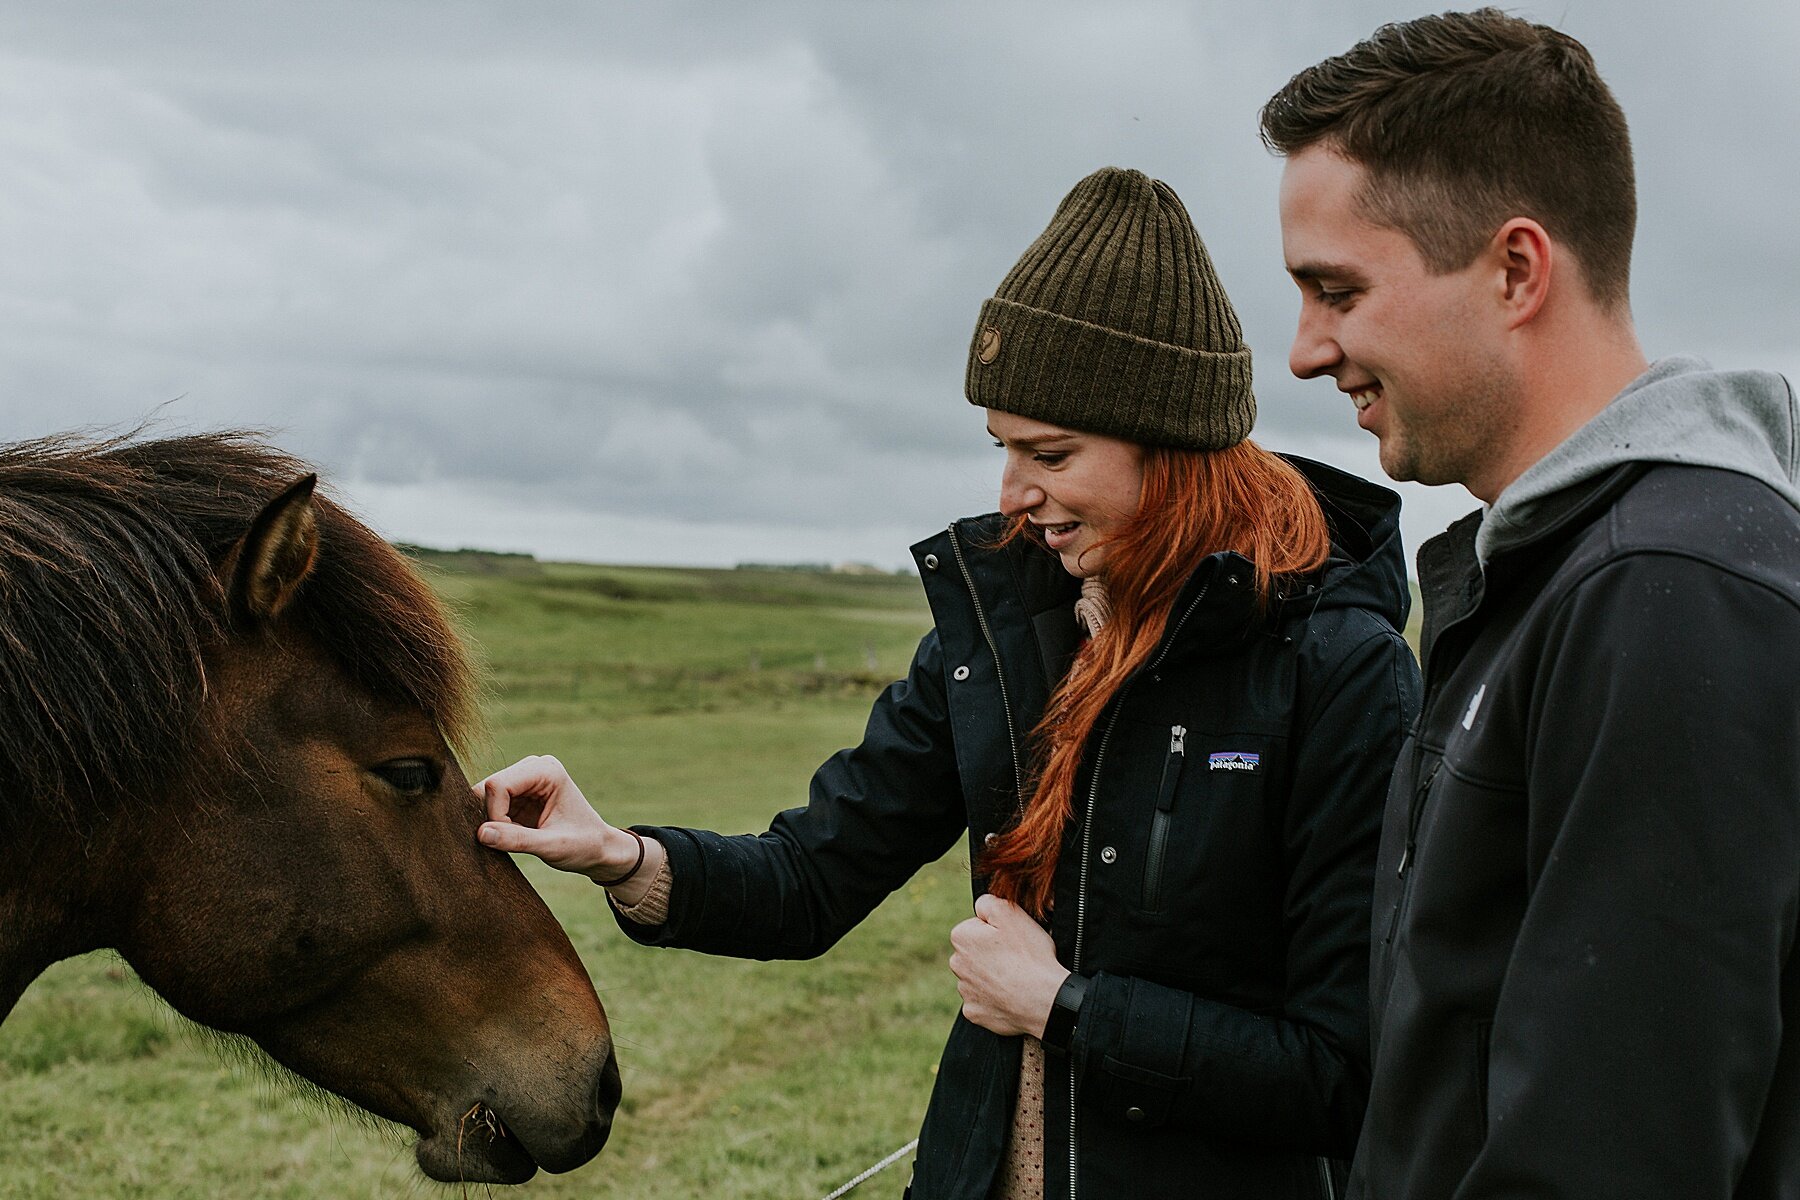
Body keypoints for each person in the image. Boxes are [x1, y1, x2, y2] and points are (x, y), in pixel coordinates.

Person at [476, 166, 1418, 1199]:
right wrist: (619, 854)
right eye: (1001, 448)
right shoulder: (1005, 640)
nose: (1013, 496)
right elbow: (811, 880)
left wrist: (1063, 1005)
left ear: (1177, 448)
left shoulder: (1338, 669)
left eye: (1049, 453)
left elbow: (1341, 1072)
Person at [1263, 10, 1800, 1199]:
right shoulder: (1558, 573)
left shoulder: (1667, 592)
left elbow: (1618, 1155)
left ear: (1515, 269)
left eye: (1336, 289)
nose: (1305, 351)